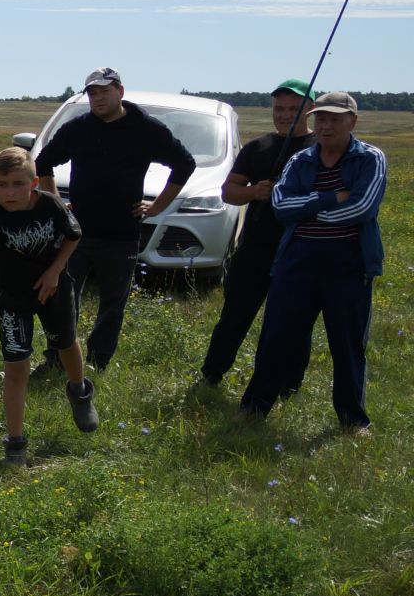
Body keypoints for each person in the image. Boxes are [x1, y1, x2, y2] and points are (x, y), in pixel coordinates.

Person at [0, 147, 100, 465]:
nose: (9, 193)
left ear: (33, 182)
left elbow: (73, 235)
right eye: (1, 184)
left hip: (52, 289)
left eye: (17, 184)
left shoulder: (50, 205)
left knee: (65, 343)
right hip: (12, 297)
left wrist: (54, 271)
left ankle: (79, 391)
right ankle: (15, 443)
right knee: (15, 368)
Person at [239, 91, 386, 434]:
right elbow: (280, 207)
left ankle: (353, 421)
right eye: (321, 118)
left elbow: (363, 209)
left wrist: (309, 212)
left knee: (347, 344)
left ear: (353, 121)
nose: (326, 126)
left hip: (349, 266)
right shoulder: (300, 161)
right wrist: (330, 198)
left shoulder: (370, 159)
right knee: (275, 337)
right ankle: (253, 409)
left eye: (336, 118)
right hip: (298, 262)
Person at [36, 67, 194, 369]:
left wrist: (158, 206)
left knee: (112, 305)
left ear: (120, 91)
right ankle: (57, 358)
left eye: (104, 91)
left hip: (122, 235)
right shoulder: (78, 128)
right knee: (63, 298)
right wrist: (56, 202)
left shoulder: (147, 129)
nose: (97, 98)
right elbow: (44, 162)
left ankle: (97, 361)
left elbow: (184, 164)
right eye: (92, 93)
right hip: (77, 233)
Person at [199, 77, 316, 386]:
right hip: (255, 248)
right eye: (279, 108)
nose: (285, 115)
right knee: (234, 316)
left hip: (300, 250)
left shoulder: (320, 148)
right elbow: (229, 192)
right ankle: (212, 374)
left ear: (311, 110)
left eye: (294, 109)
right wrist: (254, 192)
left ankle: (290, 384)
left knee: (295, 322)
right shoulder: (257, 147)